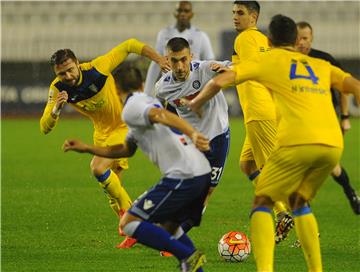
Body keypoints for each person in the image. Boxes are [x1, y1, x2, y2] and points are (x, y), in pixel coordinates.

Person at [188, 14, 360, 272]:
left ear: (269, 40)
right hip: (333, 144)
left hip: (298, 141)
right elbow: (352, 85)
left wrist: (196, 102)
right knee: (298, 200)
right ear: (295, 39)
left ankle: (265, 268)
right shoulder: (319, 64)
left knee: (262, 202)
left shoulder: (268, 60)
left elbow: (223, 79)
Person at [63, 66, 210, 272]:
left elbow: (159, 115)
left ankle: (187, 255)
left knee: (129, 223)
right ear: (142, 84)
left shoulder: (132, 107)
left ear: (115, 89)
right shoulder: (147, 101)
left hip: (184, 175)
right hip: (200, 171)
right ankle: (193, 265)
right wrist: (88, 148)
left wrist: (192, 133)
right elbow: (126, 149)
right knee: (170, 227)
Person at [40, 39, 170, 248]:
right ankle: (135, 229)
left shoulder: (98, 68)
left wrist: (159, 59)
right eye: (62, 74)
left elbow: (129, 45)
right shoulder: (57, 89)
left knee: (97, 168)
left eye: (70, 70)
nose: (68, 76)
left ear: (77, 63)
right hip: (101, 134)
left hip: (124, 126)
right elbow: (44, 127)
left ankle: (129, 216)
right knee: (111, 189)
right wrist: (56, 109)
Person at [155, 37, 230, 238]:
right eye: (174, 61)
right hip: (192, 141)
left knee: (207, 191)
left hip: (218, 137)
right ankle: (169, 229)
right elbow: (165, 111)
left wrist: (227, 70)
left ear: (191, 57)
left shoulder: (206, 69)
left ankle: (176, 234)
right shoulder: (163, 87)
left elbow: (238, 68)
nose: (179, 66)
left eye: (183, 59)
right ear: (167, 60)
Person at [232, 1, 293, 243]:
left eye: (240, 13)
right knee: (247, 164)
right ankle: (284, 211)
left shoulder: (245, 38)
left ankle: (290, 215)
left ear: (253, 17)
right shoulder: (264, 40)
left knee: (273, 172)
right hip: (267, 110)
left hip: (258, 112)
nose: (235, 17)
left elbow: (246, 71)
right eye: (234, 13)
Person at [296, 21, 360, 215]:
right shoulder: (287, 60)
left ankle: (349, 192)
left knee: (330, 165)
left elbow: (344, 88)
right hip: (299, 121)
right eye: (297, 38)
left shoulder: (325, 60)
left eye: (305, 38)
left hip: (326, 118)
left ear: (312, 38)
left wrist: (345, 116)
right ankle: (305, 212)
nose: (301, 42)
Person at [144, 1, 214, 97]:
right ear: (174, 13)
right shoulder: (164, 33)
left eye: (186, 11)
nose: (182, 14)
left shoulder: (201, 35)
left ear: (191, 14)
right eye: (179, 10)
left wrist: (210, 89)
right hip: (169, 87)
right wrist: (147, 92)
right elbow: (156, 63)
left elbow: (210, 63)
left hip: (193, 87)